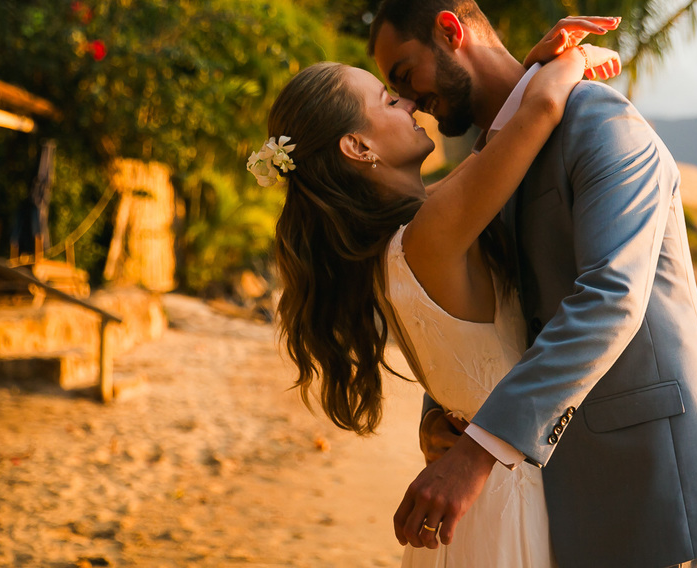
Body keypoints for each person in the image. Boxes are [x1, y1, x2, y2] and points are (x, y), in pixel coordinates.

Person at [369, 0, 697, 568]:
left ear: (450, 30)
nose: (410, 100)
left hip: (660, 473)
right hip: (565, 491)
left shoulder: (597, 119)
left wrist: (480, 450)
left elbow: (612, 296)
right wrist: (445, 413)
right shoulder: (489, 165)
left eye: (406, 74)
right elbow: (474, 315)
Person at [255, 35, 622, 567]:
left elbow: (491, 148)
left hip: (477, 491)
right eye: (385, 100)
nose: (407, 104)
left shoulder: (394, 245)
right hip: (501, 488)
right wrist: (576, 57)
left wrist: (528, 67)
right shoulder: (428, 236)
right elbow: (538, 110)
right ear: (358, 148)